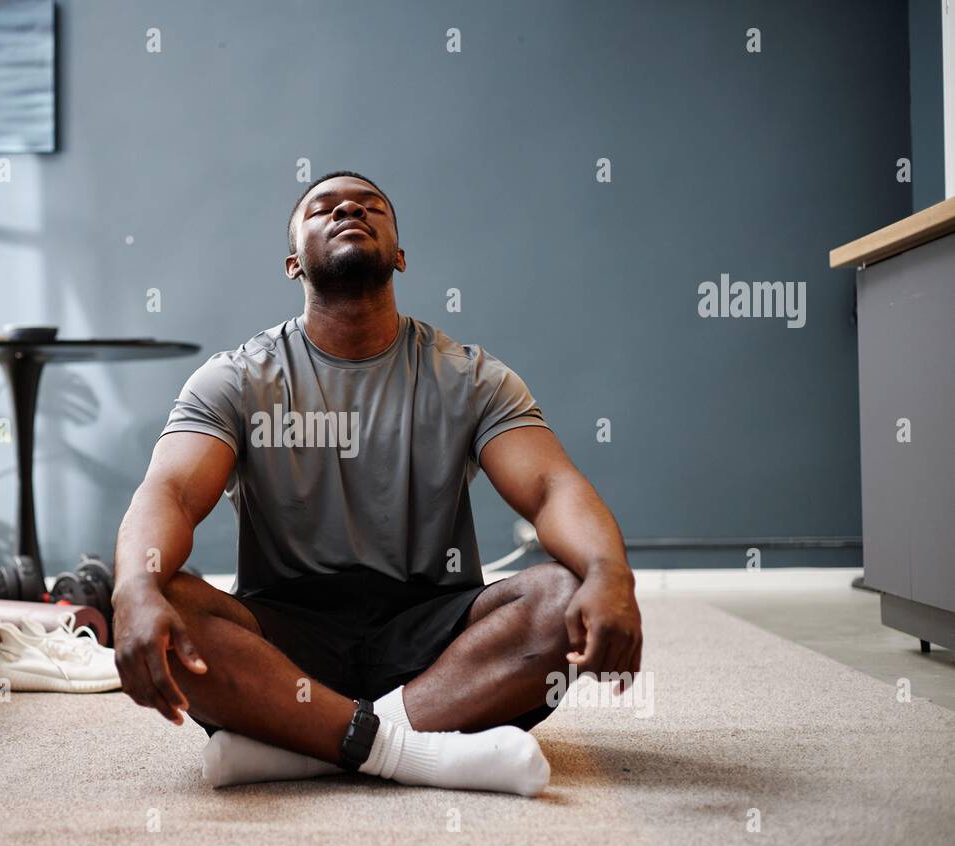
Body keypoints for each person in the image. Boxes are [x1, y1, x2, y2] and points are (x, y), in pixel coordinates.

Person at [111, 171, 643, 796]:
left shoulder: (470, 376)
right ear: (292, 263)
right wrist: (135, 587)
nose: (348, 210)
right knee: (164, 598)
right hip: (283, 642)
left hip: (438, 642)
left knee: (563, 593)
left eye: (370, 206)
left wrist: (613, 575)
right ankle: (410, 750)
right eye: (324, 208)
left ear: (400, 254)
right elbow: (169, 491)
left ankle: (311, 746)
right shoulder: (234, 379)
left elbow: (553, 487)